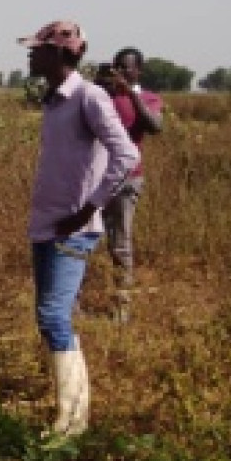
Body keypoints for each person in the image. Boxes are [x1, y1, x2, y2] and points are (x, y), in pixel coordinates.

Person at [20, 21, 139, 436]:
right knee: (48, 315)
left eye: (37, 50)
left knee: (54, 315)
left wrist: (90, 207)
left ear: (58, 53)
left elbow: (124, 154)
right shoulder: (54, 101)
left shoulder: (89, 96)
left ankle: (73, 422)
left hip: (73, 228)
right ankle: (67, 414)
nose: (30, 55)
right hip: (48, 224)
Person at [94, 48, 163, 322]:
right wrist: (100, 87)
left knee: (120, 244)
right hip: (97, 179)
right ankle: (75, 302)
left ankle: (122, 307)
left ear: (138, 71)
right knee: (85, 240)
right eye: (117, 68)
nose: (121, 73)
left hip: (128, 179)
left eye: (126, 68)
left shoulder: (147, 98)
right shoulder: (103, 97)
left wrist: (130, 94)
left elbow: (155, 126)